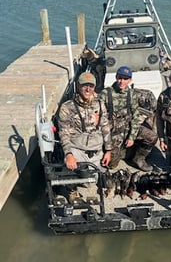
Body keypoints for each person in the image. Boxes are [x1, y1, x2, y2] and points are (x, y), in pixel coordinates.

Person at [58, 72, 112, 203]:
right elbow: (63, 133)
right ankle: (72, 191)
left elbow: (105, 127)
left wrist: (108, 150)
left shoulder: (100, 104)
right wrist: (69, 154)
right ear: (78, 86)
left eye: (91, 86)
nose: (88, 89)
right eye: (84, 86)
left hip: (96, 149)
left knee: (95, 180)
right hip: (78, 149)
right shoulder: (67, 107)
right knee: (69, 165)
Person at [99, 66, 158, 172]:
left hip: (127, 127)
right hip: (113, 132)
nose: (122, 81)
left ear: (130, 80)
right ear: (116, 77)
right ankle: (123, 152)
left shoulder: (131, 94)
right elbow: (98, 115)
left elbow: (135, 116)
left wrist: (132, 136)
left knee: (152, 137)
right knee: (112, 164)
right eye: (120, 78)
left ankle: (139, 158)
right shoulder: (105, 93)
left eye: (125, 79)